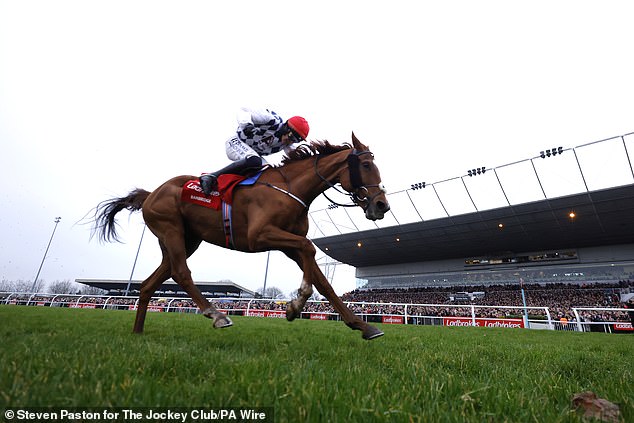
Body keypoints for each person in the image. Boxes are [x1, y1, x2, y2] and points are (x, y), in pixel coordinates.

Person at [199, 107, 310, 195]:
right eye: (291, 136)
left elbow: (298, 160)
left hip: (250, 154)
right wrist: (246, 124)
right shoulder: (271, 120)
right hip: (235, 143)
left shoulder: (288, 144)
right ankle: (211, 176)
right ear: (286, 127)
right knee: (255, 161)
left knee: (269, 173)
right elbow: (244, 110)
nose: (290, 141)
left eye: (295, 140)